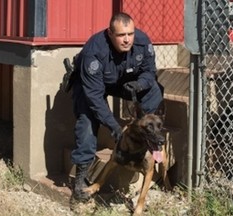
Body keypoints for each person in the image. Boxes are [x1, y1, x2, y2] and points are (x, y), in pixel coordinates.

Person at [70, 12, 164, 202]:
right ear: (110, 33)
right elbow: (95, 97)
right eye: (121, 35)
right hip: (92, 85)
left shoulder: (142, 41)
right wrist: (114, 127)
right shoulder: (94, 51)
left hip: (124, 81)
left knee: (154, 89)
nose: (127, 39)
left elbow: (149, 71)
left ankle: (145, 133)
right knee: (87, 120)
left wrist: (140, 85)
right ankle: (80, 178)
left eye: (130, 33)